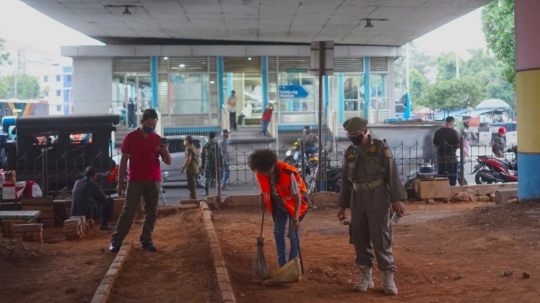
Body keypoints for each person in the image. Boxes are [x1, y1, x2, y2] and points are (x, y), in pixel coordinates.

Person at [336, 117, 406, 295]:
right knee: (359, 238)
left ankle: (387, 277)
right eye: (349, 134)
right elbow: (345, 182)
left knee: (381, 238)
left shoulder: (380, 148)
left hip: (378, 198)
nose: (352, 137)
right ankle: (366, 276)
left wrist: (397, 200)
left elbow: (392, 173)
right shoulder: (350, 153)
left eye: (356, 134)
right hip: (357, 199)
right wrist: (342, 206)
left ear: (365, 131)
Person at [110, 109, 172, 253]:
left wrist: (165, 152)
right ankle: (116, 240)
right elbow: (124, 161)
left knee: (151, 212)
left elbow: (168, 161)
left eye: (153, 125)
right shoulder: (130, 137)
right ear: (142, 122)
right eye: (149, 124)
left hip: (153, 179)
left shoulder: (157, 139)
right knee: (128, 211)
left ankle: (146, 240)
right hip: (135, 180)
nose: (151, 128)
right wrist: (120, 183)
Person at [248, 149, 310, 267]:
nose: (265, 174)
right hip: (279, 206)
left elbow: (297, 198)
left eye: (267, 171)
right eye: (262, 172)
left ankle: (292, 265)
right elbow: (265, 187)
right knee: (278, 233)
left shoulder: (288, 173)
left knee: (293, 235)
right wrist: (263, 199)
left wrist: (295, 218)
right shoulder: (260, 171)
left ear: (273, 164)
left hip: (295, 206)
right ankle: (282, 265)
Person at [71, 166, 114, 230]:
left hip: (74, 211)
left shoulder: (77, 182)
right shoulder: (92, 183)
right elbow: (103, 199)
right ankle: (105, 225)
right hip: (87, 211)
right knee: (110, 201)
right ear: (94, 175)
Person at [433, 116, 461, 186]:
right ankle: (451, 193)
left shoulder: (438, 132)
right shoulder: (454, 132)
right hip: (451, 159)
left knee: (441, 179)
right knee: (452, 179)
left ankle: (442, 193)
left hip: (441, 158)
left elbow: (434, 145)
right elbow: (458, 145)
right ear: (452, 123)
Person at [201, 131, 220, 196]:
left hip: (208, 162)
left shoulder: (205, 144)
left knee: (207, 177)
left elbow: (202, 155)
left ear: (208, 136)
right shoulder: (216, 144)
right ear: (214, 136)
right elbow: (220, 154)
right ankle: (218, 190)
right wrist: (221, 164)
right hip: (215, 162)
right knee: (216, 177)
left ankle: (206, 191)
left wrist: (202, 165)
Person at [181, 135, 199, 199]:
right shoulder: (194, 148)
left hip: (191, 169)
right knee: (192, 185)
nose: (184, 142)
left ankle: (193, 199)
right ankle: (192, 198)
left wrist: (183, 167)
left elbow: (188, 159)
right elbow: (198, 160)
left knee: (191, 186)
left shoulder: (189, 148)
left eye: (185, 140)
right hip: (195, 169)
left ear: (188, 141)